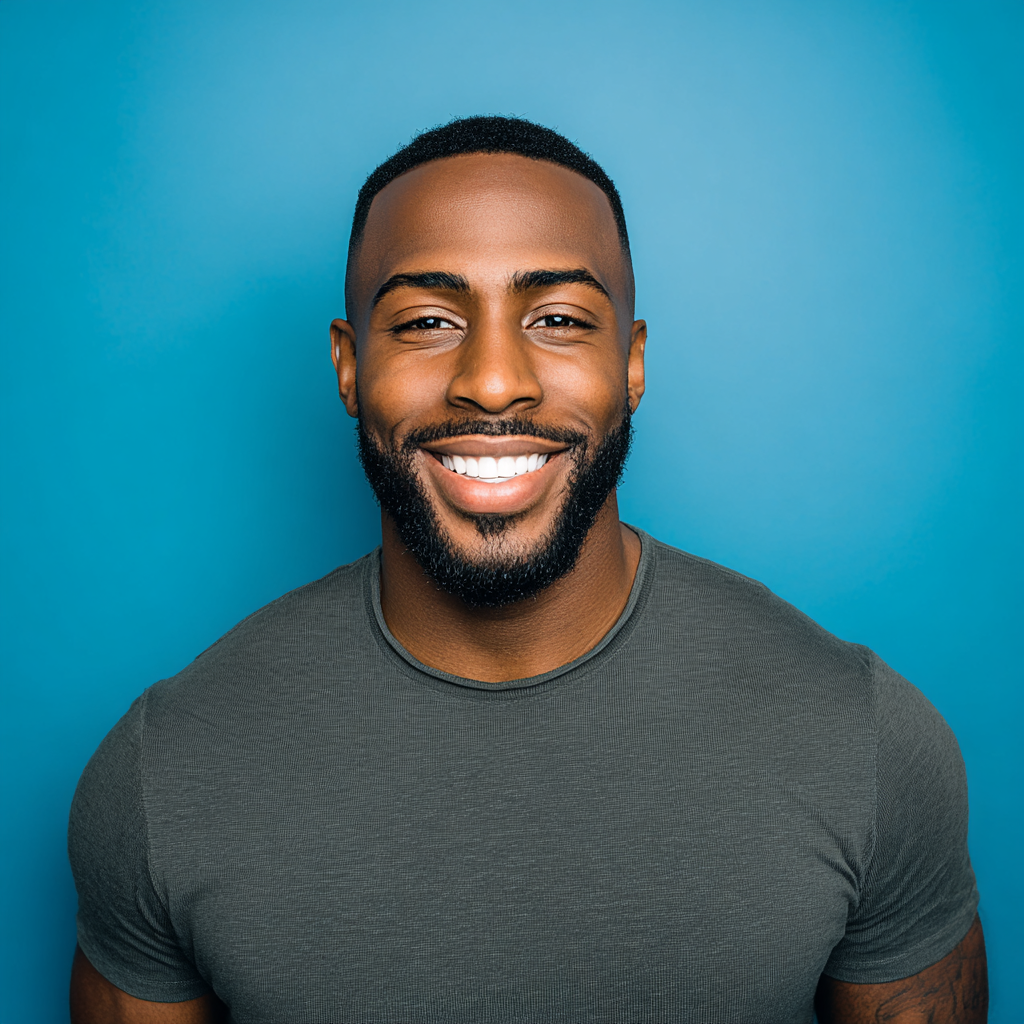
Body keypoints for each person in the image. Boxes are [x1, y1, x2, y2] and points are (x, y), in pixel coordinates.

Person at [68, 116, 987, 1024]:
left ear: (630, 366)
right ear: (350, 367)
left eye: (557, 318)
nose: (495, 380)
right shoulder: (165, 771)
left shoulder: (862, 742)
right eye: (428, 320)